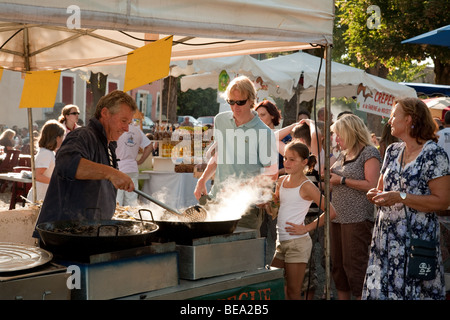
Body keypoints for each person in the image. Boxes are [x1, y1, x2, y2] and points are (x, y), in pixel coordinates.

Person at [363, 97, 450, 300]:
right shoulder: (392, 151)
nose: (389, 120)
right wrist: (375, 195)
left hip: (415, 242)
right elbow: (381, 189)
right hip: (385, 239)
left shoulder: (434, 155)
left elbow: (443, 201)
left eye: (394, 116)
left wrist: (400, 197)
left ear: (409, 119)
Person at [33, 90, 137, 237]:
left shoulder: (108, 145)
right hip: (64, 235)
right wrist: (112, 173)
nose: (127, 128)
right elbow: (67, 164)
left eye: (129, 123)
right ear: (105, 113)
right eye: (124, 121)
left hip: (89, 233)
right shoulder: (83, 135)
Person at [194, 75, 278, 234]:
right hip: (216, 200)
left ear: (252, 100)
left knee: (241, 256)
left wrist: (241, 187)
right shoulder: (220, 120)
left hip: (246, 208)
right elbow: (219, 154)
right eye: (231, 102)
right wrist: (202, 179)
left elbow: (272, 174)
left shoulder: (264, 132)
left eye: (240, 102)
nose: (235, 107)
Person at [270, 141, 337, 300]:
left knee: (294, 292)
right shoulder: (281, 181)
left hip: (297, 244)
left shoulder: (307, 186)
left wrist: (306, 228)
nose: (286, 162)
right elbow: (273, 212)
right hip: (281, 242)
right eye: (285, 158)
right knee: (276, 286)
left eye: (292, 159)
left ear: (304, 162)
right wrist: (268, 202)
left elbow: (332, 212)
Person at [329, 114, 382, 300]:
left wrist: (342, 180)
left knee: (355, 268)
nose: (337, 139)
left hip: (357, 218)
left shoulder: (369, 152)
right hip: (337, 217)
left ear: (351, 133)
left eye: (339, 135)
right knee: (338, 269)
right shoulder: (343, 154)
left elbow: (373, 185)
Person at [255, 100, 283, 265]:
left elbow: (294, 163)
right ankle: (260, 266)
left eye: (263, 115)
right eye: (257, 115)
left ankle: (275, 268)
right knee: (259, 229)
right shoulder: (255, 136)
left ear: (272, 116)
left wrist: (276, 172)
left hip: (276, 187)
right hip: (258, 188)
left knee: (275, 229)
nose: (259, 118)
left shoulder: (281, 136)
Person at [116, 121, 154, 206]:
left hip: (118, 167)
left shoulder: (116, 129)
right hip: (132, 167)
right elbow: (149, 146)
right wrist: (141, 160)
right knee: (131, 201)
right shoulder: (137, 130)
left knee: (117, 201)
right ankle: (131, 218)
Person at [26, 120, 65, 202]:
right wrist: (57, 182)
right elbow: (37, 175)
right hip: (40, 198)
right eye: (62, 136)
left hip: (45, 196)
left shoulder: (49, 152)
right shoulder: (46, 153)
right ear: (57, 138)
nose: (63, 139)